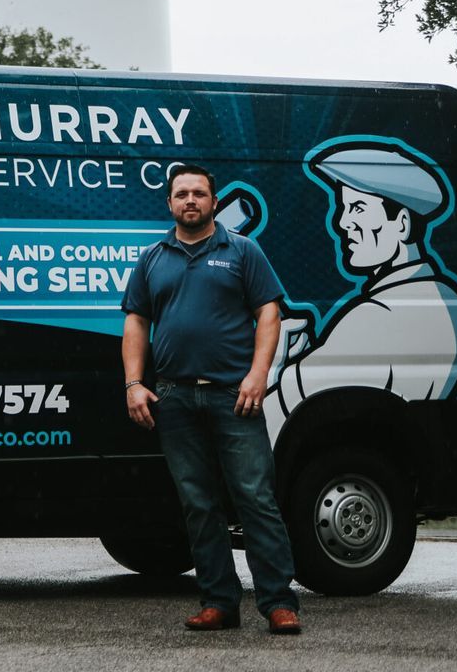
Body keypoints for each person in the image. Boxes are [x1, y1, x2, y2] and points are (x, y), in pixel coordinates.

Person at [122, 163, 303, 636]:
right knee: (198, 504)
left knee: (255, 498)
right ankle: (219, 602)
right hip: (174, 399)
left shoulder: (242, 251)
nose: (190, 201)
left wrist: (258, 375)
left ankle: (279, 602)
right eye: (181, 194)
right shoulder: (151, 259)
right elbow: (136, 323)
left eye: (199, 193)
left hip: (233, 397)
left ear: (214, 202)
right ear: (169, 203)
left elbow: (270, 313)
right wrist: (133, 383)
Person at [264, 141, 457, 432]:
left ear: (401, 224)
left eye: (358, 208)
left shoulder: (377, 315)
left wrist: (274, 362)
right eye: (343, 207)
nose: (342, 222)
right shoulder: (454, 303)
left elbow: (275, 422)